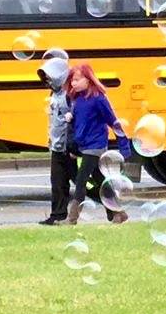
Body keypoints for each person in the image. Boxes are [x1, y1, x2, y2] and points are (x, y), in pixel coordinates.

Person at [63, 63, 132, 225]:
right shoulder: (77, 99)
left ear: (88, 79)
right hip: (84, 146)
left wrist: (124, 146)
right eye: (72, 80)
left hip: (96, 146)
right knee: (101, 180)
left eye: (77, 80)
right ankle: (119, 213)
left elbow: (113, 122)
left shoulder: (99, 99)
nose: (73, 83)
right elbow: (78, 126)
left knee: (81, 180)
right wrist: (70, 123)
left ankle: (71, 219)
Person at [41, 66, 77, 224]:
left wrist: (74, 145)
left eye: (50, 77)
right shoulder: (54, 94)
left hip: (69, 147)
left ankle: (113, 209)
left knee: (83, 182)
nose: (48, 81)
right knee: (57, 182)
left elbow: (75, 121)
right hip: (57, 146)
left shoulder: (70, 95)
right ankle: (57, 214)